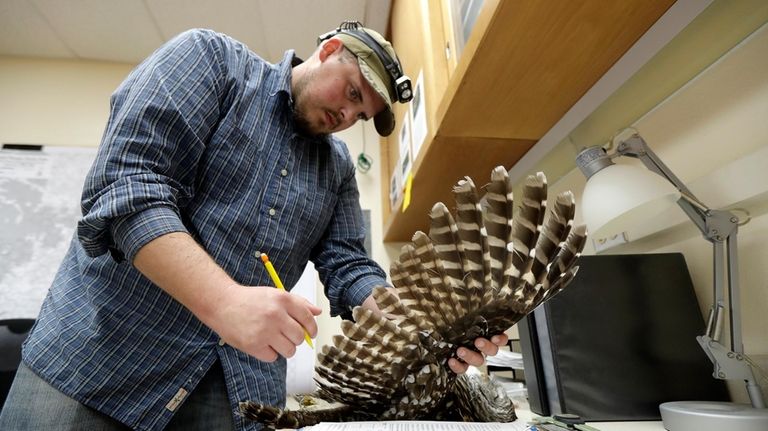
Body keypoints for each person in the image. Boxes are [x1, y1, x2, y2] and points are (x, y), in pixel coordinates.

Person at [0, 23, 507, 430]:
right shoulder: (210, 63)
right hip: (98, 367)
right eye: (352, 91)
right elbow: (128, 188)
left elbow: (347, 263)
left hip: (234, 395)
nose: (347, 113)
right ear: (328, 48)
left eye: (361, 112)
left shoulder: (337, 170)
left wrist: (412, 324)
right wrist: (224, 301)